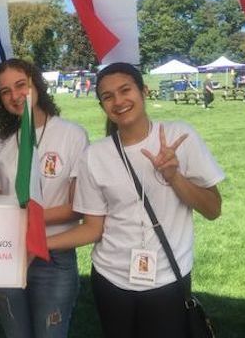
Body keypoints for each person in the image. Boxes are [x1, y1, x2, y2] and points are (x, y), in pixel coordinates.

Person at [48, 62, 224, 338]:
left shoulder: (179, 136)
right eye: (107, 96)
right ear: (102, 105)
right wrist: (39, 245)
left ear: (144, 91)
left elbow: (213, 209)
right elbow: (93, 228)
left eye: (125, 90)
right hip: (111, 279)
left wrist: (174, 176)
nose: (118, 101)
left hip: (167, 278)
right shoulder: (95, 156)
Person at [0, 58, 88, 338]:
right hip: (9, 252)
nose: (15, 96)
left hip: (54, 256)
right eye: (5, 91)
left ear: (36, 84)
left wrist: (28, 221)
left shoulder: (72, 135)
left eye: (21, 85)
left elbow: (78, 207)